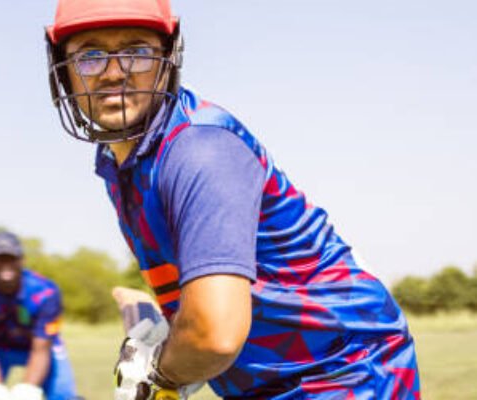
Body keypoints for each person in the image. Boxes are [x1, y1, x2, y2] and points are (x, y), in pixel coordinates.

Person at [43, 0, 421, 398]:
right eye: (90, 56)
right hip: (271, 383)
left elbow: (214, 337)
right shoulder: (119, 161)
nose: (113, 72)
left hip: (343, 372)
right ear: (63, 69)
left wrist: (154, 371)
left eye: (137, 52)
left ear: (168, 59)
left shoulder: (199, 150)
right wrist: (164, 329)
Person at [0, 231, 78, 400]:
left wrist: (27, 390)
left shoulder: (46, 292)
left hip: (42, 347)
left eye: (11, 258)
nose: (5, 264)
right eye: (0, 259)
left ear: (21, 260)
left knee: (63, 396)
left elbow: (41, 348)